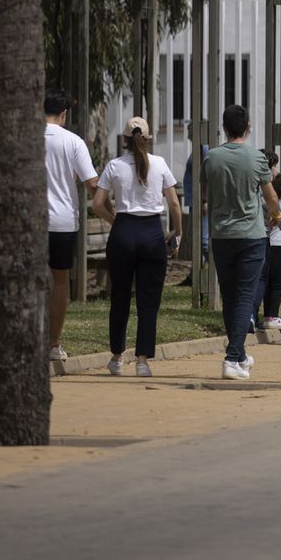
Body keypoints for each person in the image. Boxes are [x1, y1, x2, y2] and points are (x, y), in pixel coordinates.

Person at [92, 117, 182, 377]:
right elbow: (174, 204)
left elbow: (97, 203)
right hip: (152, 234)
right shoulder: (161, 164)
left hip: (124, 233)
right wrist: (178, 231)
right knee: (148, 300)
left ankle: (117, 357)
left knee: (119, 296)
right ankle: (142, 360)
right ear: (148, 138)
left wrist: (116, 221)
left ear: (125, 140)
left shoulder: (114, 165)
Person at [203, 104, 279, 380]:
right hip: (251, 235)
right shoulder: (256, 158)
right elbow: (270, 197)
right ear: (248, 127)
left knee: (230, 296)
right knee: (245, 297)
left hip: (222, 235)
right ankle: (232, 357)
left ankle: (241, 355)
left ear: (223, 128)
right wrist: (277, 215)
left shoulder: (211, 158)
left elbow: (205, 197)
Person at [43, 90, 98, 362]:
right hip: (62, 222)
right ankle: (53, 344)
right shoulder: (74, 142)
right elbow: (92, 183)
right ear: (64, 113)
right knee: (60, 283)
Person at [258, 161, 281, 331]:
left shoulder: (264, 204)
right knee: (279, 283)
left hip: (268, 242)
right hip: (280, 244)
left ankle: (266, 315)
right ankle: (272, 315)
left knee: (268, 282)